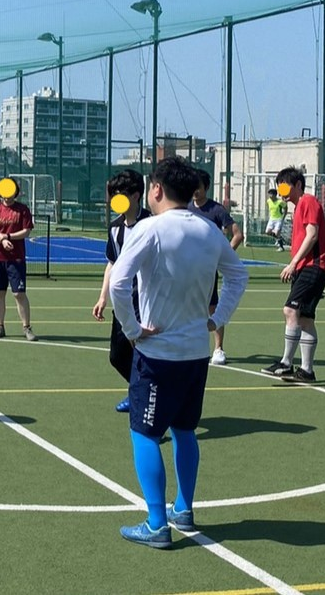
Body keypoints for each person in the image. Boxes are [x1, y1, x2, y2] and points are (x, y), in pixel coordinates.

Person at [108, 156, 248, 547]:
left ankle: (157, 524)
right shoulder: (209, 230)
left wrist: (133, 330)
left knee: (144, 434)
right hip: (195, 354)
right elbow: (239, 274)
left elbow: (119, 282)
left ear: (156, 189)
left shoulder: (150, 229)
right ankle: (183, 508)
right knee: (185, 431)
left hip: (157, 354)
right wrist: (217, 318)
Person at [261, 166, 325, 382]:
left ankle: (286, 364)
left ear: (298, 185)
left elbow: (312, 236)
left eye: (285, 185)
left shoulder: (308, 201)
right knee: (304, 318)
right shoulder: (297, 206)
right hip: (308, 268)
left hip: (314, 265)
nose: (281, 189)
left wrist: (292, 264)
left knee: (290, 311)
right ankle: (307, 371)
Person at [91, 169, 150, 412]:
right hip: (122, 301)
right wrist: (103, 297)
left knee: (144, 354)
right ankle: (140, 391)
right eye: (113, 194)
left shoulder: (151, 224)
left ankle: (147, 400)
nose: (116, 199)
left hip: (146, 302)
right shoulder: (115, 228)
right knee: (117, 356)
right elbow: (112, 264)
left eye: (121, 193)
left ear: (136, 195)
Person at [188, 169, 243, 365]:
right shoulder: (185, 208)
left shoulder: (217, 210)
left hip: (207, 270)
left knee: (213, 308)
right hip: (188, 268)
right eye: (193, 187)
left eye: (199, 187)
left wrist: (222, 257)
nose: (195, 191)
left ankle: (218, 349)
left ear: (207, 188)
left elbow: (237, 234)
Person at [0, 181, 37, 341]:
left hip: (16, 258)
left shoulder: (22, 210)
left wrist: (8, 237)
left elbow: (26, 231)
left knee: (18, 293)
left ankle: (27, 327)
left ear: (16, 192)